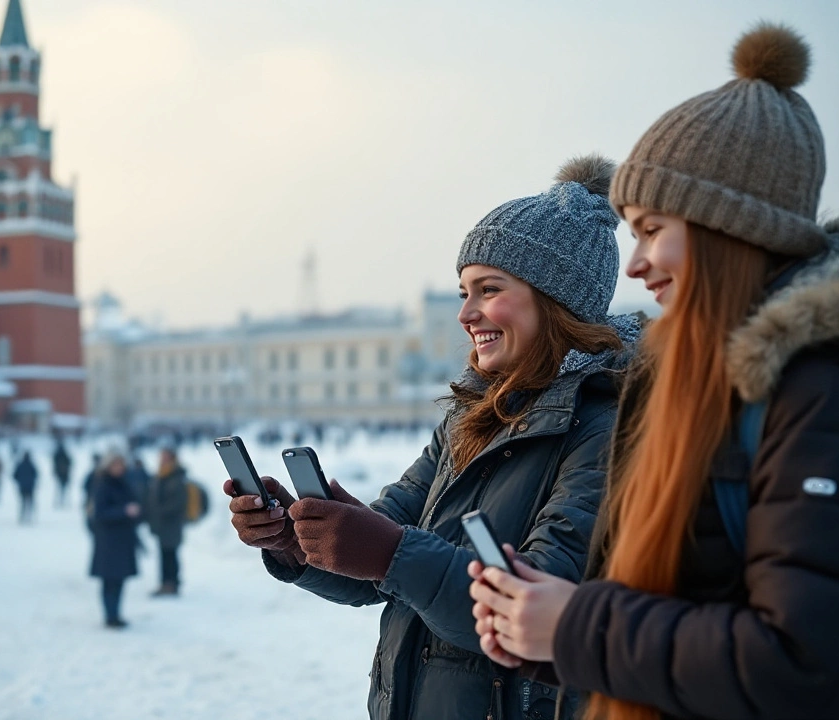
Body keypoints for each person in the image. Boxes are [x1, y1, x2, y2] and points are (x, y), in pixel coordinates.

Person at [468, 25, 839, 720]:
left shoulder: (823, 391)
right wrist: (546, 631)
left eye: (653, 229)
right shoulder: (674, 384)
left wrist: (577, 625)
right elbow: (677, 609)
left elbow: (801, 664)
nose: (633, 264)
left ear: (731, 230)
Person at [227, 156, 639, 720]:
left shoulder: (607, 426)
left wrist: (390, 550)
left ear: (555, 301)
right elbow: (384, 563)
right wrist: (300, 542)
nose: (467, 313)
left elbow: (533, 607)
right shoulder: (471, 418)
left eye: (488, 290)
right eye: (464, 291)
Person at [89, 451, 142, 629]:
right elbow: (99, 514)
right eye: (116, 465)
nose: (119, 468)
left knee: (119, 579)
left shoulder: (125, 482)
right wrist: (124, 511)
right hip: (108, 540)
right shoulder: (102, 485)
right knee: (109, 579)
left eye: (121, 465)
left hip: (123, 538)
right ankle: (110, 615)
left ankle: (116, 613)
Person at [145, 447, 189, 597]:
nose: (161, 459)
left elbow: (178, 502)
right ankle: (167, 583)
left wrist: (159, 511)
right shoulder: (161, 474)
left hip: (172, 524)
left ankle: (171, 584)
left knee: (170, 554)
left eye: (164, 456)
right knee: (165, 554)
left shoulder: (176, 476)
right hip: (162, 524)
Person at [13, 450, 39, 524]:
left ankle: (22, 516)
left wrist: (20, 481)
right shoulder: (31, 465)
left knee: (23, 502)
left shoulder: (20, 465)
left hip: (22, 487)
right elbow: (36, 474)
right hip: (30, 487)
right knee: (30, 502)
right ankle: (29, 516)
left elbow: (15, 475)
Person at [52, 439, 72, 509]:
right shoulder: (62, 455)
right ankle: (61, 500)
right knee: (62, 488)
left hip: (62, 474)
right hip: (63, 474)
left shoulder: (57, 455)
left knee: (60, 488)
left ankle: (61, 500)